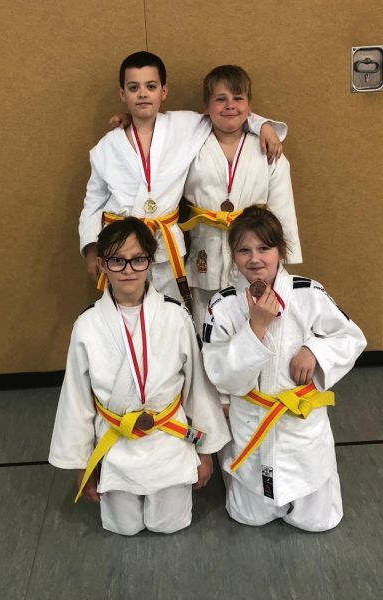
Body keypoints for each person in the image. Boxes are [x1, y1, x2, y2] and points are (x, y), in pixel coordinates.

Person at [49, 217, 230, 536]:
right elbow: (76, 401)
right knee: (124, 526)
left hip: (168, 438)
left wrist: (205, 453)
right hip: (116, 441)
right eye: (117, 260)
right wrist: (82, 466)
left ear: (151, 261)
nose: (128, 269)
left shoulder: (175, 316)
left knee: (168, 524)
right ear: (102, 265)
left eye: (138, 259)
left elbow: (198, 390)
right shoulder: (87, 325)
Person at [202, 205, 366, 532]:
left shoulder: (309, 293)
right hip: (251, 420)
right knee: (248, 516)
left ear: (281, 250)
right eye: (244, 250)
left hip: (299, 424)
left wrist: (315, 350)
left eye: (264, 248)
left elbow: (351, 337)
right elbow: (220, 373)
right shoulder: (222, 304)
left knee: (318, 521)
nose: (255, 259)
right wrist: (256, 328)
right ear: (233, 255)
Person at [79, 51, 286, 309]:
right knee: (125, 309)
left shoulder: (184, 125)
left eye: (151, 86)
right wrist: (91, 248)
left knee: (172, 310)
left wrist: (264, 126)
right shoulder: (106, 147)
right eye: (134, 88)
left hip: (166, 247)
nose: (142, 94)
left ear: (163, 92)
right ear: (123, 94)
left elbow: (227, 114)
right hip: (121, 248)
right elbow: (93, 202)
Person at [181, 65, 302, 330]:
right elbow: (158, 128)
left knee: (255, 314)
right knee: (206, 319)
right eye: (220, 99)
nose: (230, 106)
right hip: (206, 245)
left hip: (254, 248)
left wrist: (282, 259)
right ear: (206, 107)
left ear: (250, 106)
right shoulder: (189, 146)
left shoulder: (267, 149)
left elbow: (282, 209)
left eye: (238, 98)